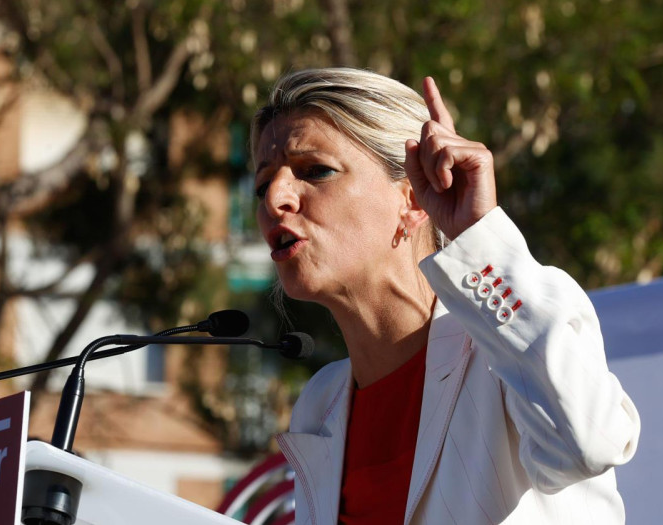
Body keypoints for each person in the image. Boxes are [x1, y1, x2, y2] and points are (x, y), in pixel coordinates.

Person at [256, 68, 641, 524]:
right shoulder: (320, 405)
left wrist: (479, 236)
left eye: (315, 171)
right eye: (261, 184)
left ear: (413, 199)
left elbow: (591, 444)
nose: (274, 198)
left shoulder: (512, 339)